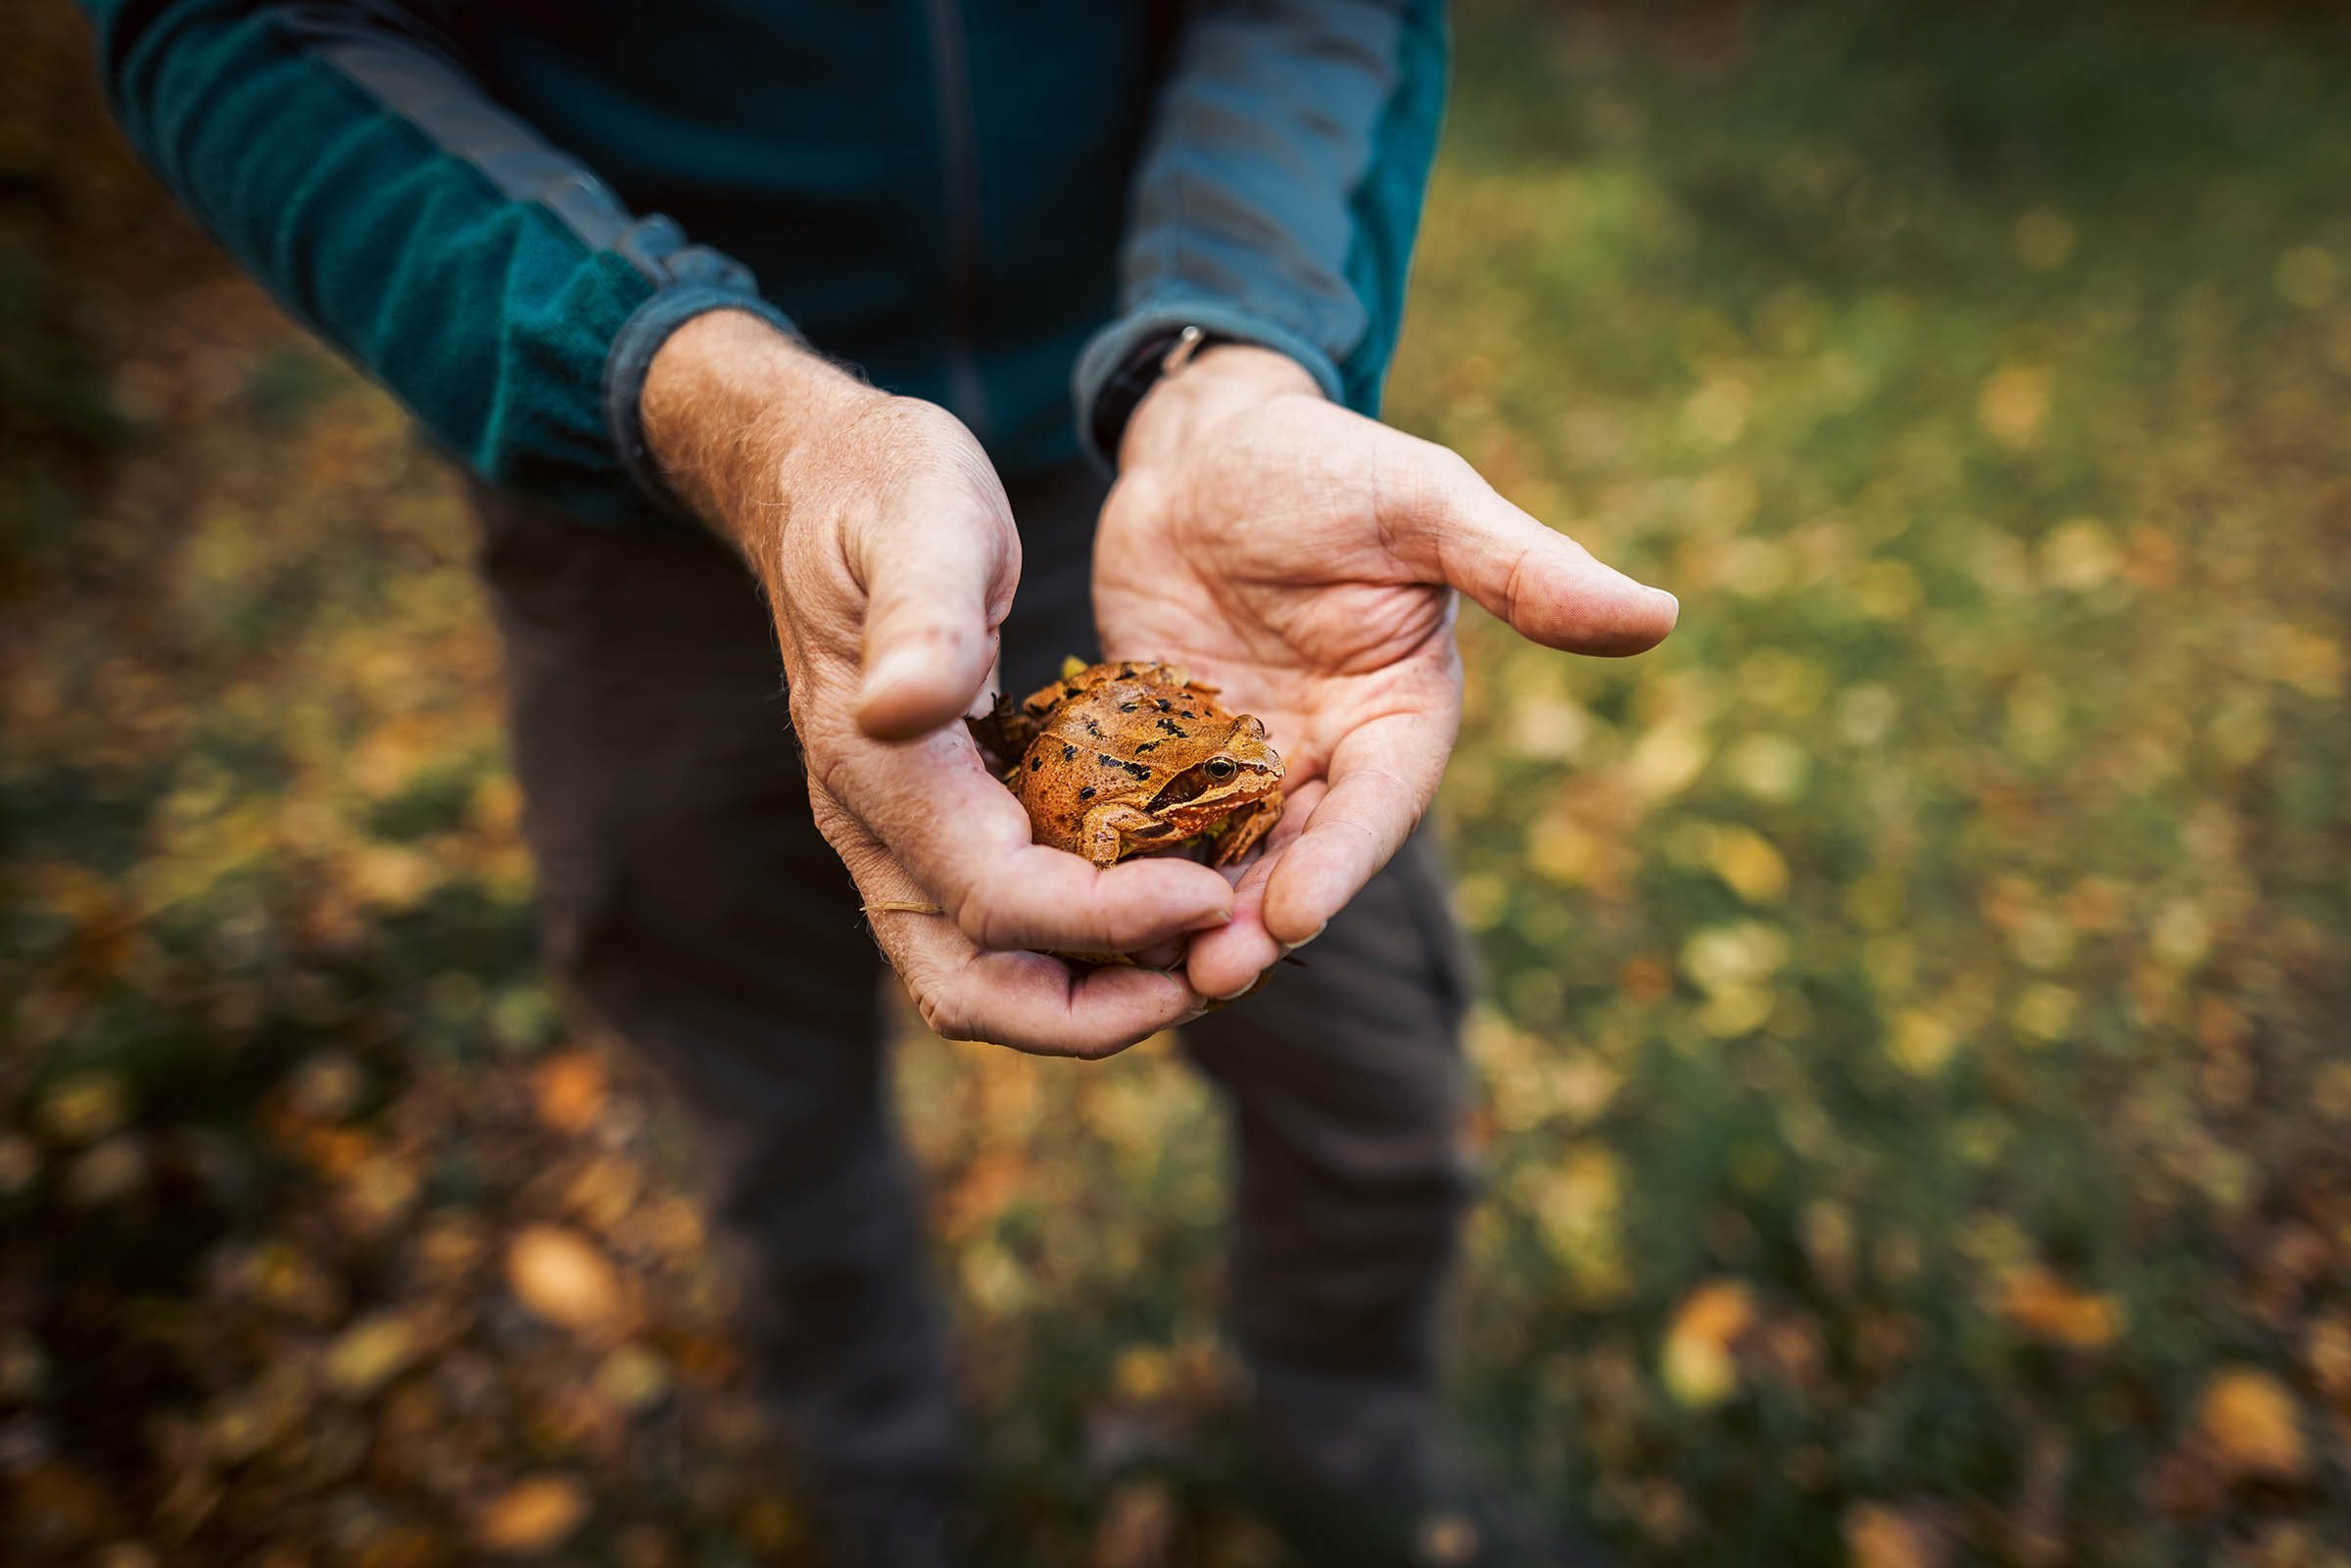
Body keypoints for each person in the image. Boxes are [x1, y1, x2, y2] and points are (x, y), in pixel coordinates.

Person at [76, 2, 1676, 1562]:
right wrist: (705, 400)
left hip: (1132, 463)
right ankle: (878, 1484)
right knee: (771, 1120)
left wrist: (1231, 352)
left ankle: (1352, 1447)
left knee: (1372, 1052)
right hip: (634, 477)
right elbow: (237, 33)